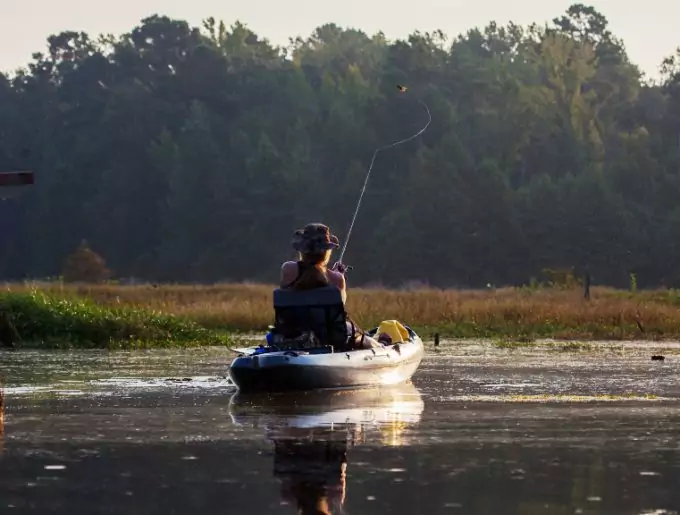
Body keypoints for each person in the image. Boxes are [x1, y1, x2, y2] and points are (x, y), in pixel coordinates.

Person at [280, 223, 382, 349]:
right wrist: (339, 276)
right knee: (362, 337)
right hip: (330, 337)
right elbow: (340, 307)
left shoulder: (287, 269)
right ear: (326, 252)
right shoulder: (337, 279)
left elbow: (308, 273)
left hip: (291, 333)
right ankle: (382, 345)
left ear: (302, 249)